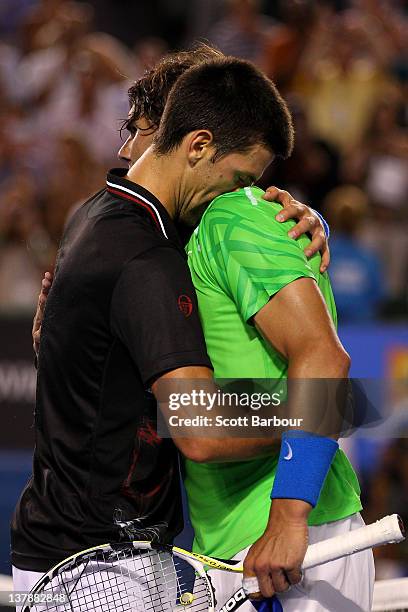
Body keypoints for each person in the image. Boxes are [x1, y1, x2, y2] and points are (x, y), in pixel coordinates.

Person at [13, 51, 329, 605]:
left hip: (78, 553)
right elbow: (200, 428)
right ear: (197, 144)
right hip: (102, 569)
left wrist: (303, 221)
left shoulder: (93, 215)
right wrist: (325, 410)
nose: (241, 197)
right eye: (239, 180)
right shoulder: (146, 260)